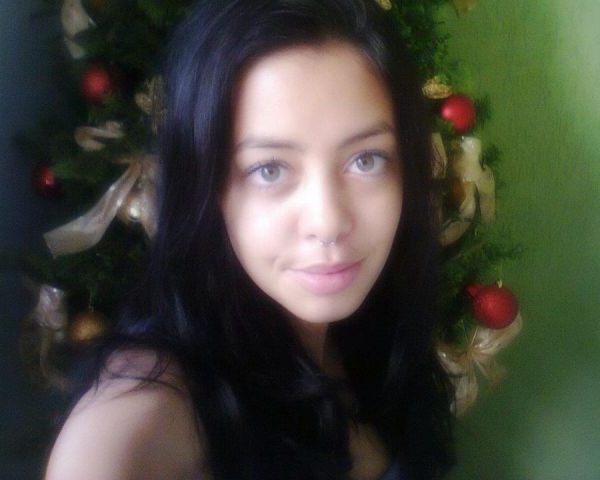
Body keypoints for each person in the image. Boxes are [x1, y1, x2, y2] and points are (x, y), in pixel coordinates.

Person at [44, 0, 455, 479]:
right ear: (208, 187)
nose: (327, 222)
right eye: (269, 169)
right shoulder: (154, 405)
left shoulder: (376, 335)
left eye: (366, 160)